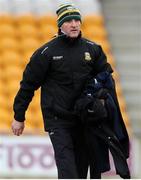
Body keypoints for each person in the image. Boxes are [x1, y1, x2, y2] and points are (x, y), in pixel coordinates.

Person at [11, 3, 129, 179]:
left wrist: (101, 101)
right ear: (60, 25)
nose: (74, 24)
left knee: (81, 172)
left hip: (84, 120)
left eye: (77, 20)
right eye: (69, 21)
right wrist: (19, 116)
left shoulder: (93, 49)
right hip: (58, 121)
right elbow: (28, 85)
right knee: (68, 172)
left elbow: (106, 78)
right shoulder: (46, 52)